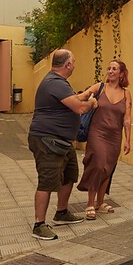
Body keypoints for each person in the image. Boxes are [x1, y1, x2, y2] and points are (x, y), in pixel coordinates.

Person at [27, 49, 93, 239]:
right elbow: (80, 107)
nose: (74, 64)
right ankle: (39, 224)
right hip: (48, 141)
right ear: (68, 65)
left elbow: (73, 100)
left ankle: (62, 212)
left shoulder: (58, 83)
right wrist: (92, 102)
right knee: (47, 181)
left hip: (62, 142)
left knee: (69, 175)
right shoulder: (54, 83)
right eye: (74, 61)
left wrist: (88, 92)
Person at [77, 60, 132, 220]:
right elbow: (81, 98)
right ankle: (90, 203)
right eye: (109, 68)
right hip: (97, 133)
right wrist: (69, 100)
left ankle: (100, 203)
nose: (110, 71)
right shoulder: (99, 87)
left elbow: (127, 120)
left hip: (114, 137)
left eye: (114, 69)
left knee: (108, 168)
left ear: (121, 73)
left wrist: (128, 140)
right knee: (98, 165)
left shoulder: (126, 94)